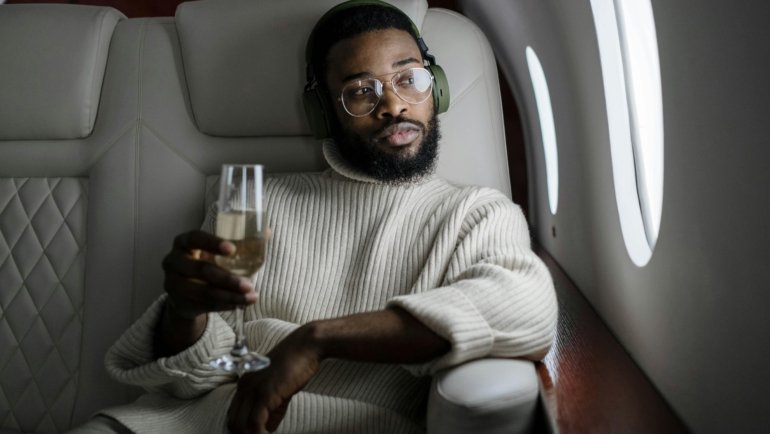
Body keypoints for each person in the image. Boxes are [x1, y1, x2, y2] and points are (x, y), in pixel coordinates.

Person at [71, 1, 557, 433]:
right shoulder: (252, 201)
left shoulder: (476, 212)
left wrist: (317, 340)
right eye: (360, 91)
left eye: (409, 78)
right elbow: (205, 373)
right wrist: (184, 312)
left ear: (437, 88)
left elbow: (524, 309)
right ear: (324, 111)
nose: (392, 104)